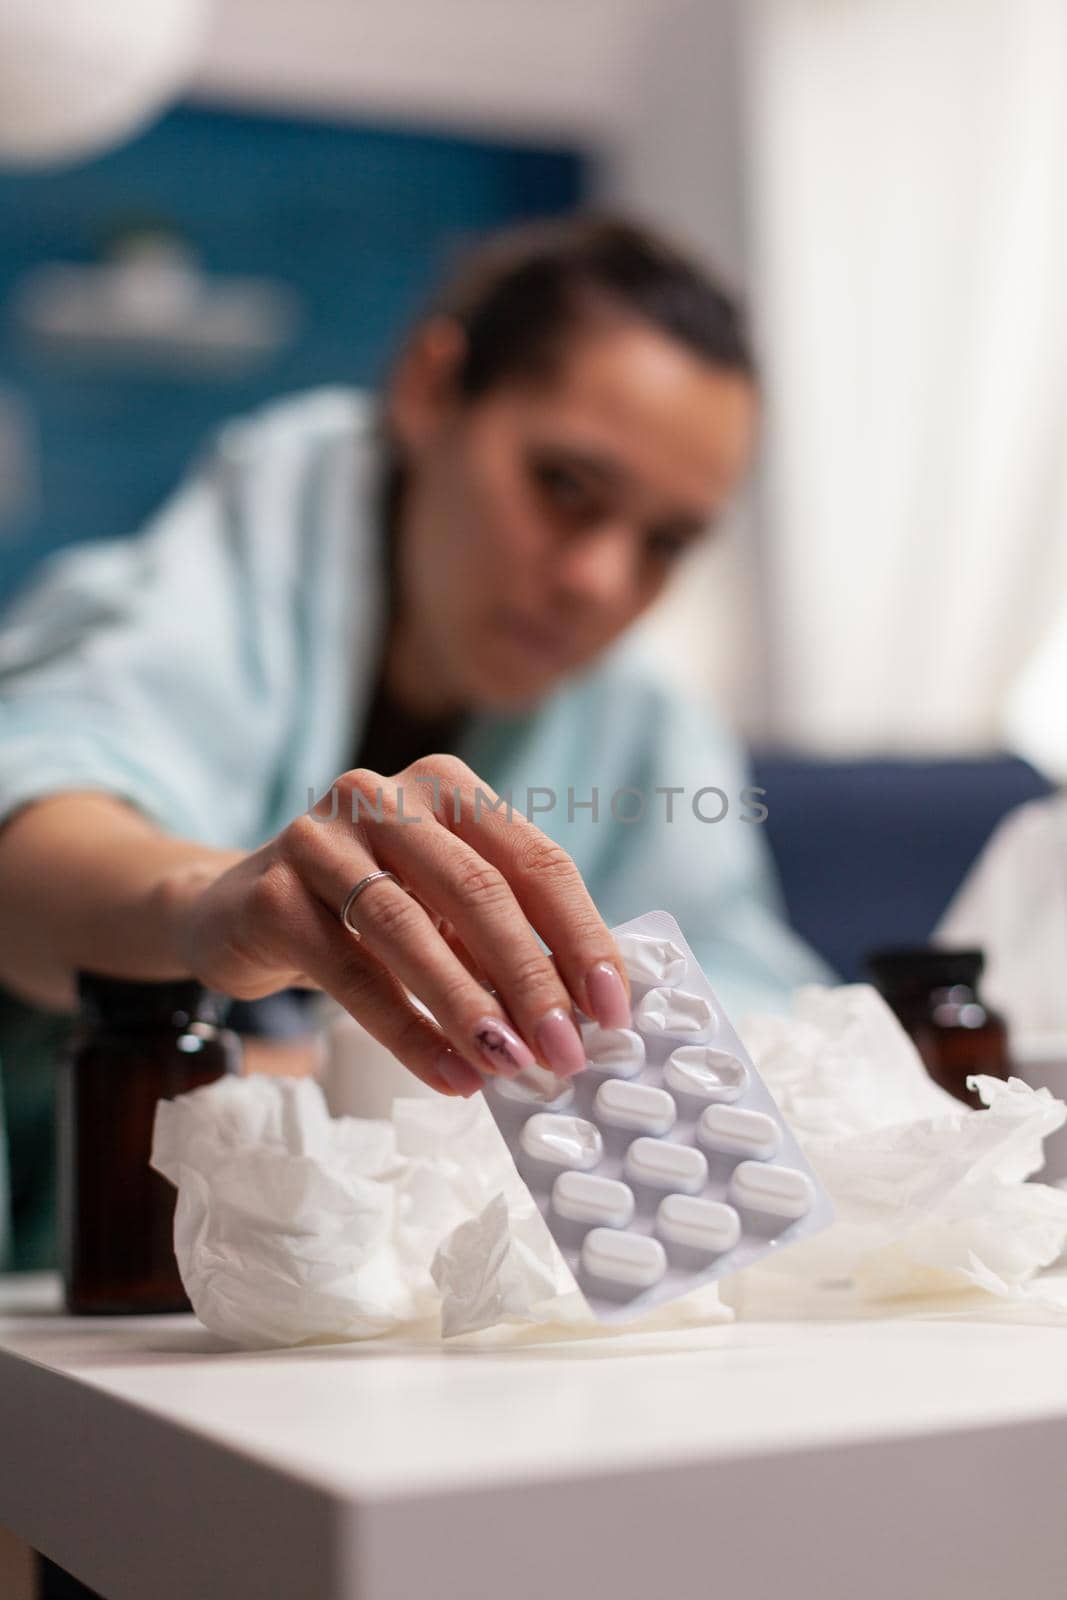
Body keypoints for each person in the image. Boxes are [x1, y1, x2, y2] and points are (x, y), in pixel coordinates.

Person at [0, 214, 832, 1267]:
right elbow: (31, 838)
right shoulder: (170, 603)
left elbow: (760, 1011)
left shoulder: (646, 728)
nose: (598, 582)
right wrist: (205, 907)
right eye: (564, 486)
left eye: (663, 543)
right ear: (431, 388)